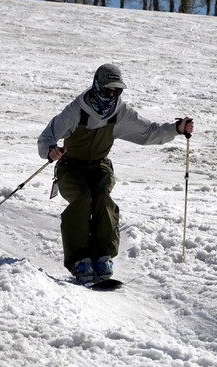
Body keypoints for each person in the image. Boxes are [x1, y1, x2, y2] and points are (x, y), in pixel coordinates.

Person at [38, 63, 194, 282]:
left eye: (117, 90)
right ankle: (78, 260)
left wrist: (176, 129)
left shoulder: (120, 112)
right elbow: (47, 137)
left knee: (102, 196)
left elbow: (149, 132)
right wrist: (50, 151)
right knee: (83, 197)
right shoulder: (76, 110)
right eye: (108, 89)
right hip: (71, 167)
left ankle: (102, 255)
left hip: (100, 166)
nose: (112, 94)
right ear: (96, 86)